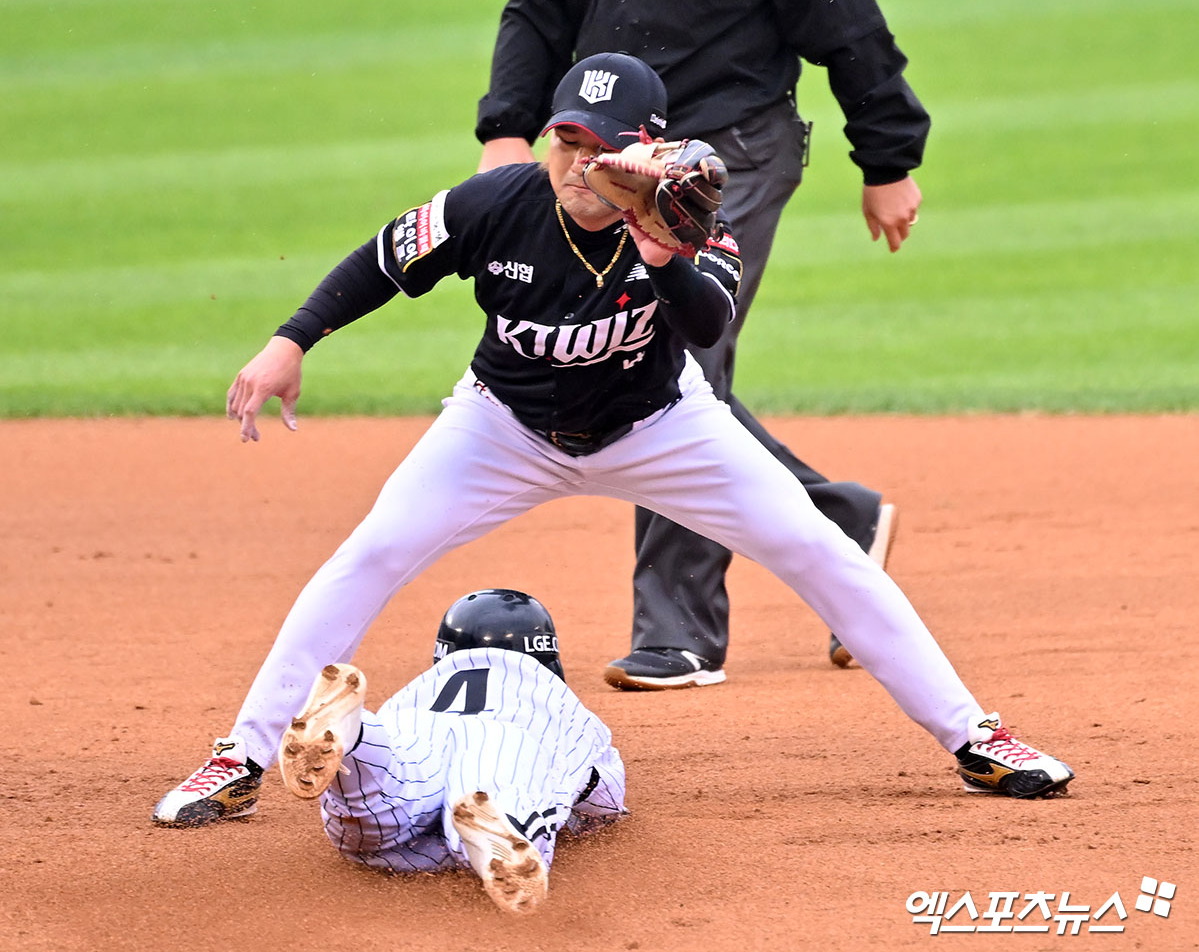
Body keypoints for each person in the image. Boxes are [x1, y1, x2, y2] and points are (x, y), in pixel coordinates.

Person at [151, 53, 1072, 844]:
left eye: (599, 146)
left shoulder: (695, 219)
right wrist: (291, 340)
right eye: (565, 141)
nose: (577, 162)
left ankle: (974, 738)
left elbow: (709, 325)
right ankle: (241, 755)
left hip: (662, 429)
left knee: (818, 549)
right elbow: (381, 261)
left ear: (646, 149)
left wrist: (663, 251)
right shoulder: (494, 204)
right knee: (372, 552)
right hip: (499, 428)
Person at [475, 0, 926, 685]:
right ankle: (834, 517)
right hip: (609, 155)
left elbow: (846, 17)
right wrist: (505, 126)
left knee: (680, 350)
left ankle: (677, 630)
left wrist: (887, 159)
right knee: (636, 351)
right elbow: (537, 2)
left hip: (731, 148)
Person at [275, 589, 626, 915]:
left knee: (387, 787)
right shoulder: (549, 697)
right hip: (505, 739)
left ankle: (358, 737)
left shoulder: (420, 690)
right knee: (503, 789)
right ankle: (500, 831)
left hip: (419, 729)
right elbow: (604, 799)